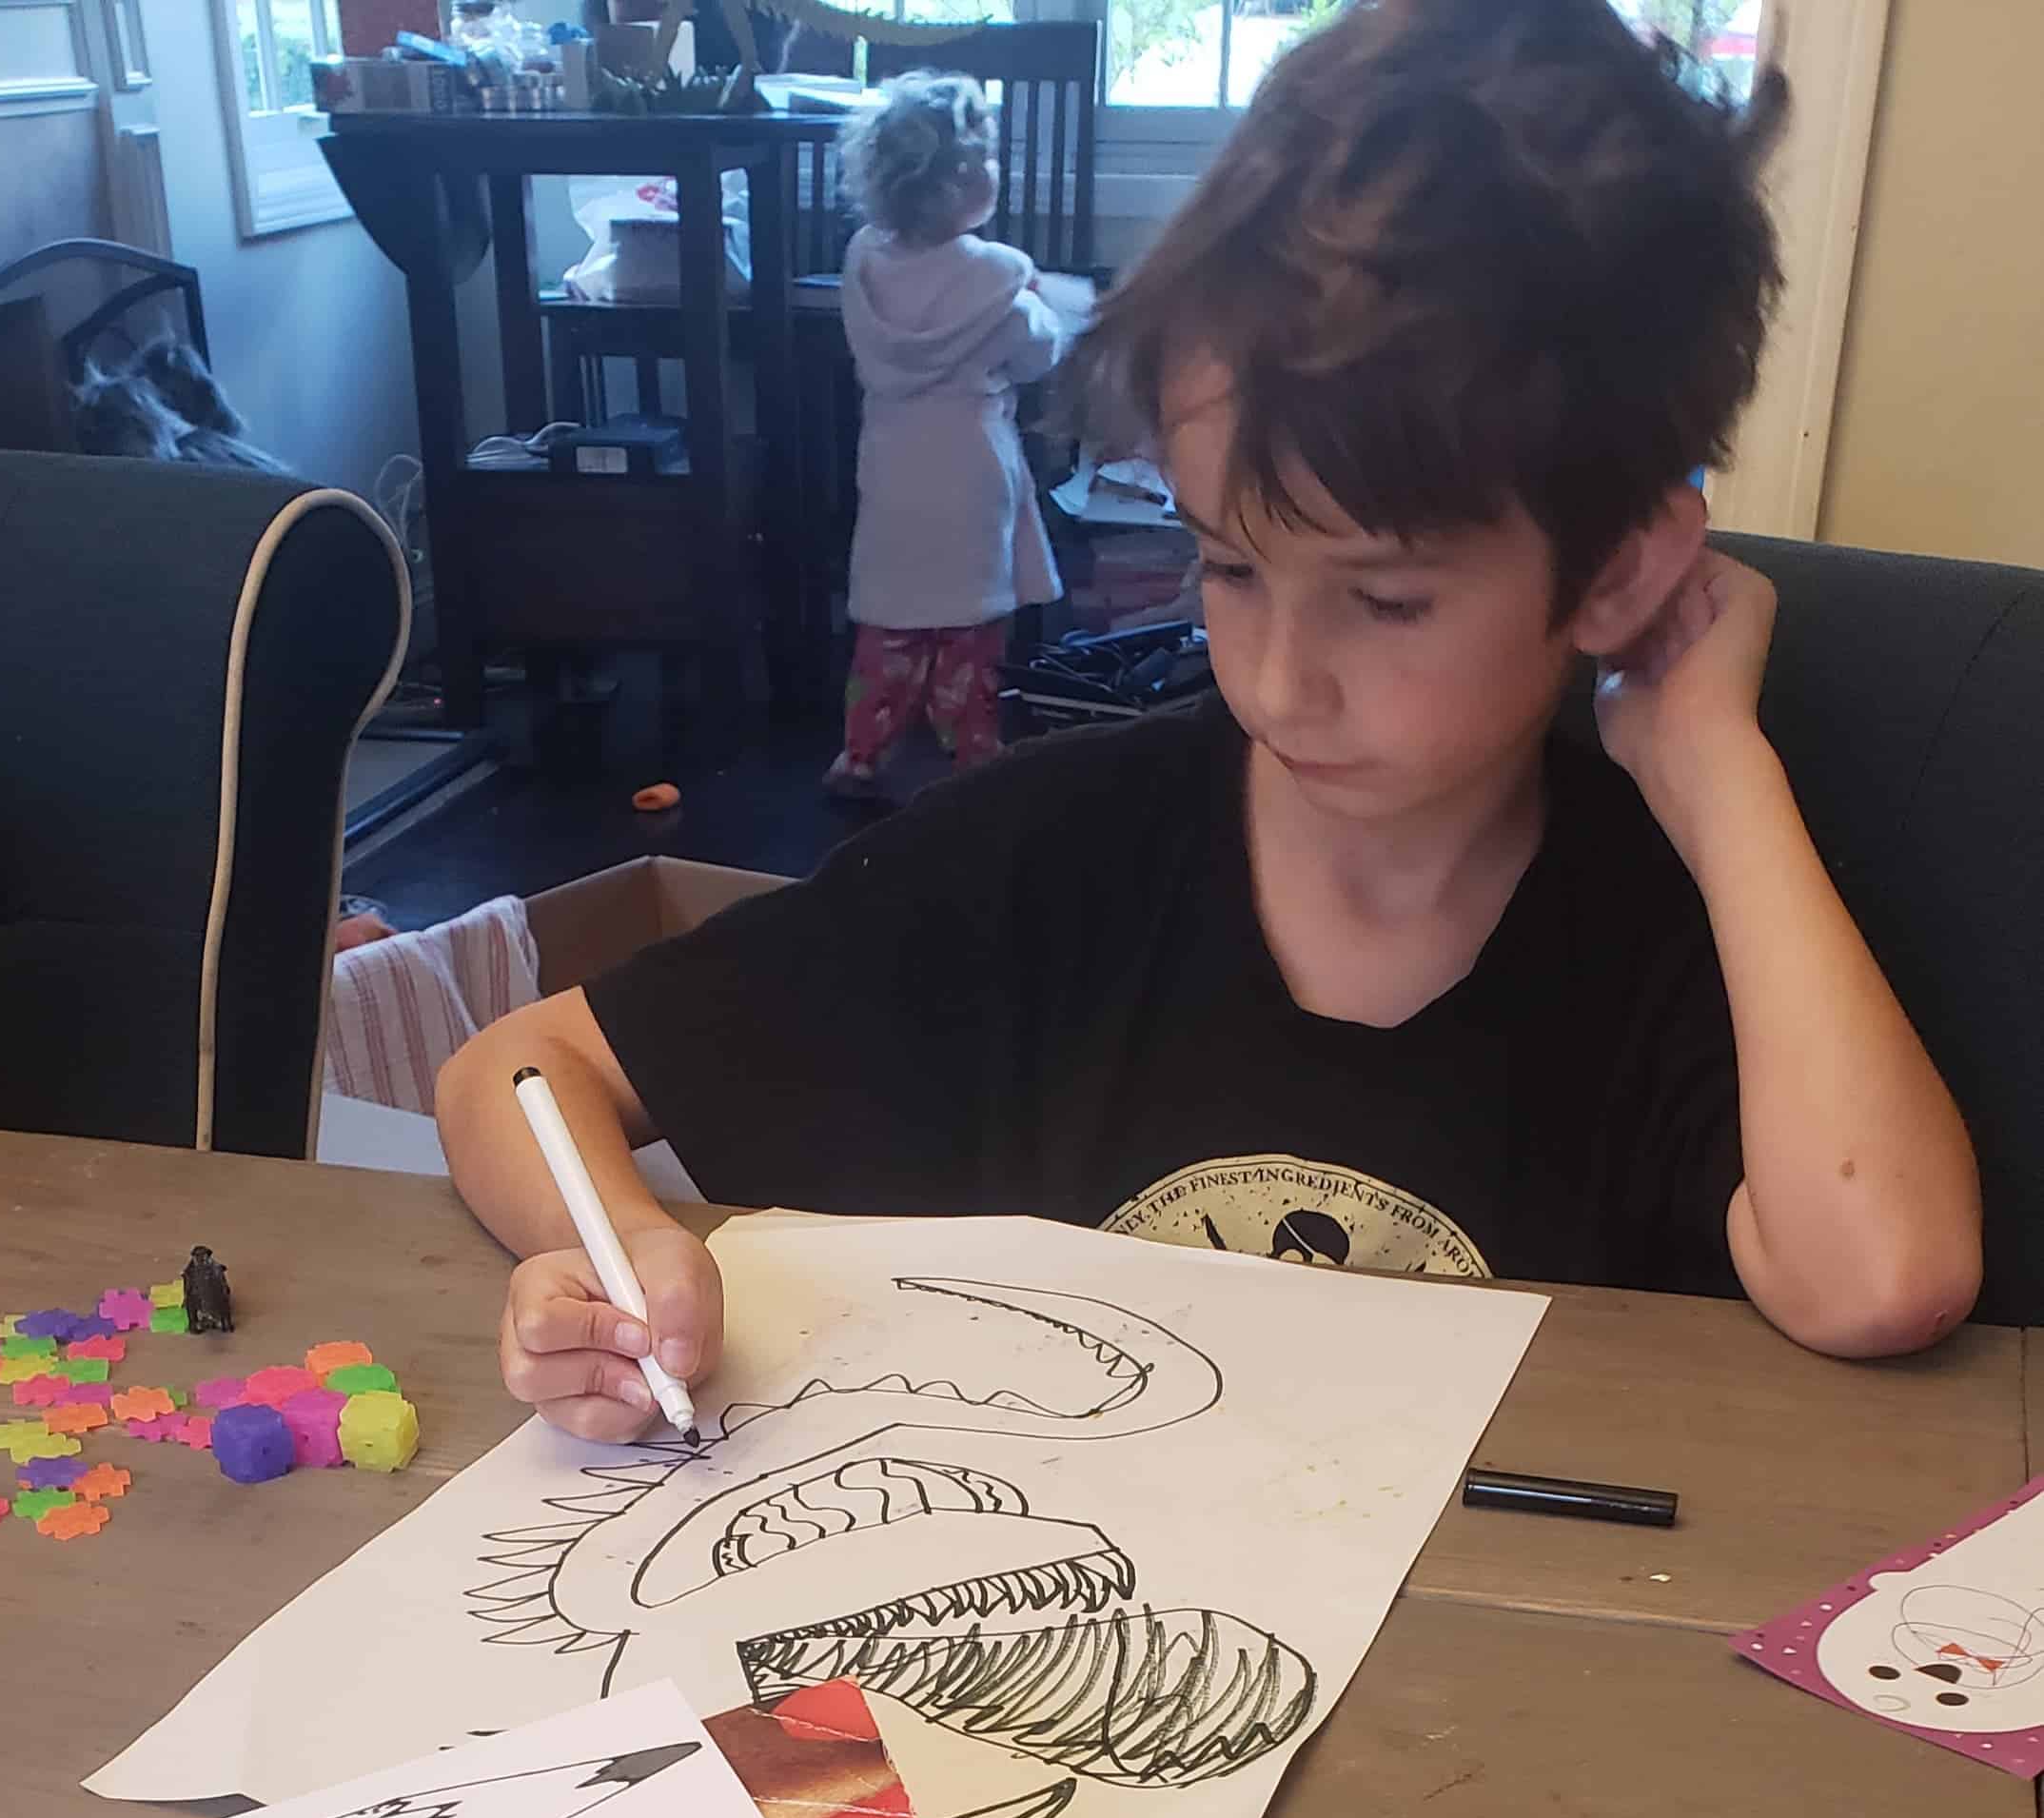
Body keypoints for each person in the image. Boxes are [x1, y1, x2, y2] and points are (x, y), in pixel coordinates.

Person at [437, 0, 1983, 1448]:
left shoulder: (1661, 934)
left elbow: (1880, 1275)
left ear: (1618, 566)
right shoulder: (1049, 853)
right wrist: (618, 1248)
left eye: (1383, 602)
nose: (1275, 680)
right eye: (1232, 566)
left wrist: (1711, 765)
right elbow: (511, 1072)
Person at [824, 70, 1066, 796]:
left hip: (892, 466)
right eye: (986, 159)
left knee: (891, 621)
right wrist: (1043, 309)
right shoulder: (996, 281)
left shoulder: (864, 261)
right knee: (969, 626)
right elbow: (1039, 350)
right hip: (969, 470)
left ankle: (860, 753)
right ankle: (974, 753)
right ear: (959, 181)